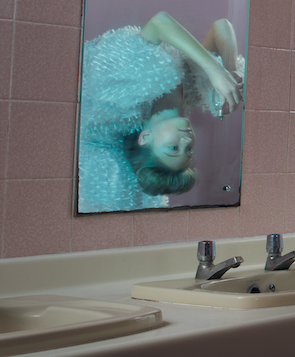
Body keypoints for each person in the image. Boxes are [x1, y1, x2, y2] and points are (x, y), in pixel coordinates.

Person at [78, 12, 244, 213]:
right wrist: (230, 73)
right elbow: (221, 27)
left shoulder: (131, 91)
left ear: (146, 137)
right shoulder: (193, 95)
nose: (186, 142)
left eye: (173, 147)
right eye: (189, 151)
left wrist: (214, 70)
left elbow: (159, 23)